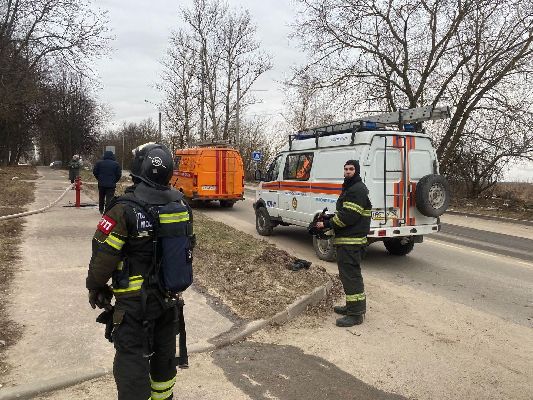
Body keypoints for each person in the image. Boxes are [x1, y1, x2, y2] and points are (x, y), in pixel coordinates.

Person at [86, 143, 194, 400]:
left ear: (139, 169)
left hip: (134, 308)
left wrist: (95, 287)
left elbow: (103, 256)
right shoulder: (181, 206)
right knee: (163, 358)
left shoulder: (123, 209)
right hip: (169, 301)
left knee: (131, 360)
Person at [315, 160, 372, 327]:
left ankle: (356, 314)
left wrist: (327, 224)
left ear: (357, 170)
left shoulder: (357, 189)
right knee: (347, 276)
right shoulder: (350, 187)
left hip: (351, 242)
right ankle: (351, 306)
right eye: (346, 169)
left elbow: (349, 216)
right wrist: (330, 217)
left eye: (351, 169)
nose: (347, 172)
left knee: (351, 276)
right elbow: (345, 212)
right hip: (347, 241)